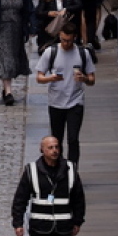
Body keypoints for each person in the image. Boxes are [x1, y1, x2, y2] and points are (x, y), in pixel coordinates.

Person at [37, 25, 96, 166]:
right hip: (56, 102)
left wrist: (85, 79)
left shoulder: (83, 53)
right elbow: (39, 77)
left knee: (73, 138)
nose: (66, 43)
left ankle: (73, 169)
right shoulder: (51, 52)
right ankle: (59, 168)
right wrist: (51, 78)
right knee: (57, 139)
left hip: (76, 101)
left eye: (69, 40)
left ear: (74, 38)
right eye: (63, 40)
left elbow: (92, 79)